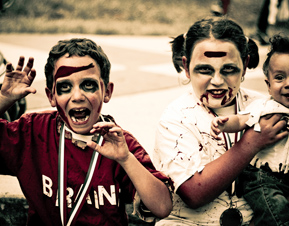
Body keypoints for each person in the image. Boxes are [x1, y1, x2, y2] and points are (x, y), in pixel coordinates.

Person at [152, 17, 289, 226]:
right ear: (186, 66)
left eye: (229, 69)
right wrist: (252, 143)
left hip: (259, 217)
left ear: (246, 64)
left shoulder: (266, 105)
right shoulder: (176, 117)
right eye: (204, 70)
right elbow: (194, 194)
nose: (217, 80)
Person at [0, 38, 173, 226]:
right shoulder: (33, 132)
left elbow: (162, 207)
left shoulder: (119, 143)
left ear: (106, 91)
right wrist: (3, 99)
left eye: (88, 85)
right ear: (51, 96)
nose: (77, 96)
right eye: (65, 87)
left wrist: (126, 159)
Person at [210, 34, 289, 225]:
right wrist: (223, 124)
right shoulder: (266, 107)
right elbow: (242, 120)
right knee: (275, 211)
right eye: (279, 77)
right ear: (268, 86)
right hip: (261, 179)